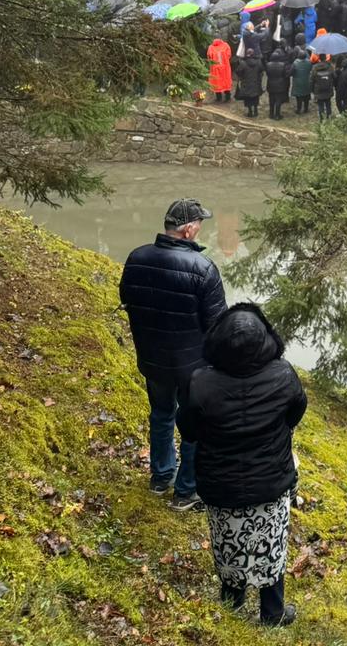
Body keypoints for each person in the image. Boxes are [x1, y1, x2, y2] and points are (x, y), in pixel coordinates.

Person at [179, 304, 307, 629]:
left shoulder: (200, 383)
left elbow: (189, 430)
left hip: (220, 486)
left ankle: (231, 604)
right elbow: (296, 413)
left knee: (228, 543)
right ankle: (272, 614)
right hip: (272, 482)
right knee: (272, 544)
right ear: (266, 339)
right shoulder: (284, 374)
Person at [119, 198, 227, 511]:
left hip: (152, 358)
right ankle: (186, 491)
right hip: (193, 367)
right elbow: (218, 325)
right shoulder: (204, 269)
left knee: (161, 414)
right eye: (200, 224)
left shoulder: (137, 257)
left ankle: (160, 477)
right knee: (193, 425)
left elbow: (127, 298)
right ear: (190, 230)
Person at [235, 48, 264, 119]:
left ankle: (250, 112)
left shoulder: (243, 63)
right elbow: (262, 69)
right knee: (255, 97)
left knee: (248, 98)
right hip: (256, 83)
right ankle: (256, 111)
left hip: (246, 83)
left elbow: (238, 71)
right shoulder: (258, 62)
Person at [264, 51, 289, 121]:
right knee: (278, 100)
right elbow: (285, 74)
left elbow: (267, 74)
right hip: (280, 85)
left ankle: (271, 114)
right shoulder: (282, 65)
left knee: (271, 100)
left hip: (271, 84)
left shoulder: (268, 65)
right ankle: (277, 115)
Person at [207, 37, 233, 103]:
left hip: (215, 68)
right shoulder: (226, 45)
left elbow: (209, 56)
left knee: (216, 82)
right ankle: (228, 97)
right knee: (226, 81)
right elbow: (229, 55)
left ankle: (219, 98)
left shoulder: (211, 47)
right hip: (225, 67)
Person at [289, 51, 312, 117]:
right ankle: (306, 108)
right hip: (306, 81)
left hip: (298, 82)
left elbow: (291, 72)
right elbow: (310, 69)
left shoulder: (295, 63)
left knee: (299, 97)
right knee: (306, 95)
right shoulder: (309, 62)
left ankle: (299, 109)